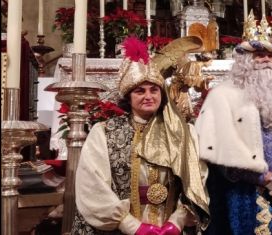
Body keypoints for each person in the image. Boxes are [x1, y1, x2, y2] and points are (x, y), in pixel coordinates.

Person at [73, 37, 210, 234]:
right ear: (128, 97)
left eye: (154, 90)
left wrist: (177, 221)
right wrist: (132, 226)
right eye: (140, 91)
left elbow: (198, 178)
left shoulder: (183, 131)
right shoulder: (104, 132)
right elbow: (91, 184)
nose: (148, 96)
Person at [194, 13, 272, 235]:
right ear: (245, 60)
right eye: (259, 55)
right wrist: (267, 179)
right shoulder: (223, 97)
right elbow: (219, 152)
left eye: (270, 56)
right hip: (244, 195)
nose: (266, 60)